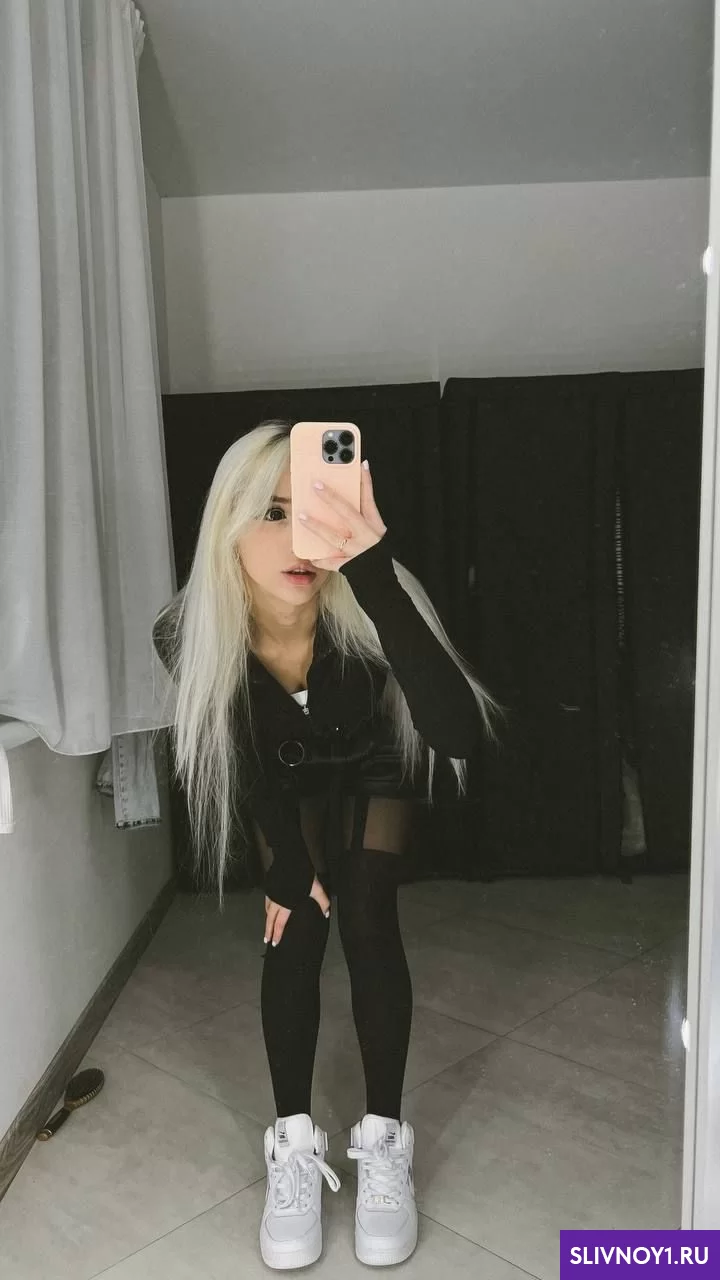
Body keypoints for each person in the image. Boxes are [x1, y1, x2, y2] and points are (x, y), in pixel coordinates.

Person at [152, 420, 499, 1271]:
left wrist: (371, 569)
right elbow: (238, 754)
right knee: (295, 926)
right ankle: (292, 1145)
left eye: (311, 507)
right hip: (283, 773)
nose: (298, 538)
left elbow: (457, 735)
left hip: (374, 757)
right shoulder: (188, 631)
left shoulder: (372, 589)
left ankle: (383, 1140)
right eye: (271, 514)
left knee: (369, 917)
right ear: (227, 526)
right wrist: (285, 864)